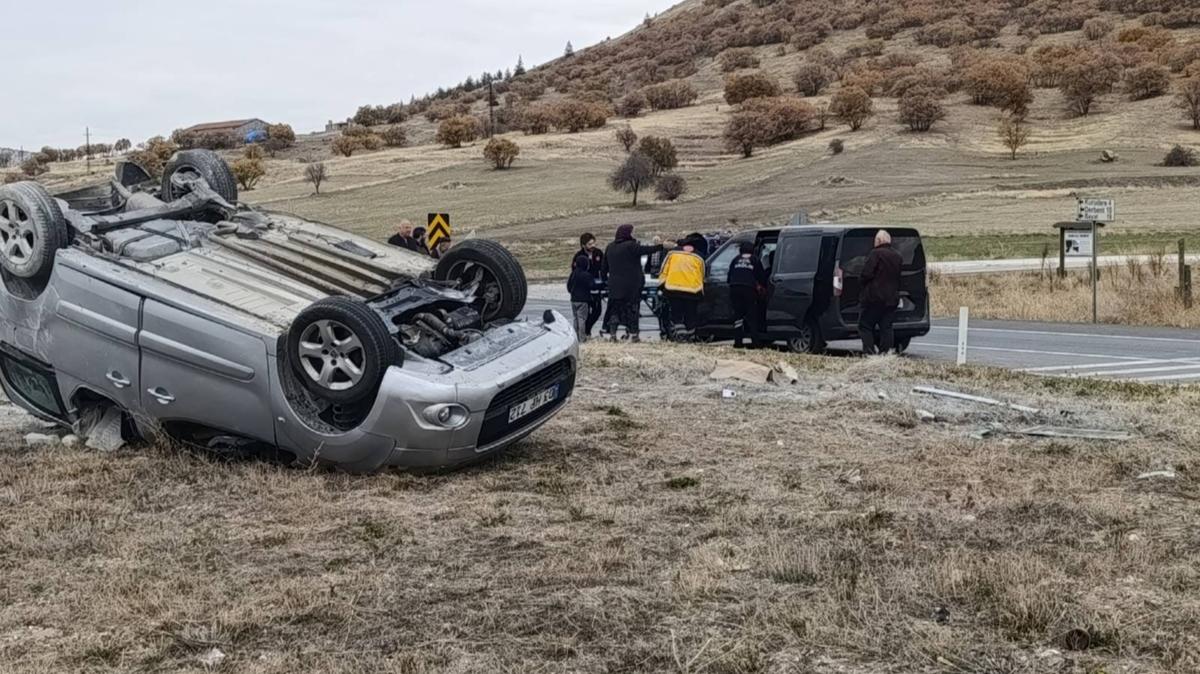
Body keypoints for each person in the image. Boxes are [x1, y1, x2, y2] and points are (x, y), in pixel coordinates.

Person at [602, 224, 666, 343]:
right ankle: (634, 334)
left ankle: (612, 334)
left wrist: (605, 282)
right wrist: (660, 247)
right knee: (632, 309)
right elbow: (646, 250)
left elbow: (604, 267)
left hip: (615, 285)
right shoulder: (631, 246)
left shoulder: (610, 247)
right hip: (632, 286)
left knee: (614, 310)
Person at [859, 229, 903, 355]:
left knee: (865, 326)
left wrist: (861, 283)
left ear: (879, 241)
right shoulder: (897, 256)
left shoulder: (875, 254)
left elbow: (866, 274)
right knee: (887, 327)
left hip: (874, 298)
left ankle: (869, 353)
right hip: (891, 299)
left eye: (875, 240)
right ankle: (885, 354)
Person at [658, 243, 706, 341]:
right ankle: (691, 336)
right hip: (693, 290)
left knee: (677, 315)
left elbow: (663, 270)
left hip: (673, 289)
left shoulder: (672, 254)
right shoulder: (699, 256)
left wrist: (661, 286)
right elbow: (703, 273)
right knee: (690, 315)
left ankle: (681, 336)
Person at [728, 241, 766, 348]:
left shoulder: (735, 260)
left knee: (738, 315)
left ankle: (738, 342)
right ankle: (755, 342)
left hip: (734, 288)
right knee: (752, 315)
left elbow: (729, 277)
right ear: (752, 250)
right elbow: (761, 277)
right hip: (749, 289)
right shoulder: (755, 260)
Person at [572, 233, 605, 339]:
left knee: (597, 311)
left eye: (593, 243)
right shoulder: (578, 256)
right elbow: (574, 272)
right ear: (583, 245)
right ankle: (583, 334)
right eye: (590, 244)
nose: (593, 245)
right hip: (584, 289)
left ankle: (587, 329)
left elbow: (604, 267)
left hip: (596, 285)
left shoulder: (598, 253)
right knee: (583, 315)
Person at [567, 244, 596, 342]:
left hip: (573, 299)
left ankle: (575, 337)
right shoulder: (586, 275)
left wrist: (572, 292)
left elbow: (569, 286)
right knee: (582, 319)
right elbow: (592, 285)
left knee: (575, 319)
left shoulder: (573, 274)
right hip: (583, 300)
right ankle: (582, 338)